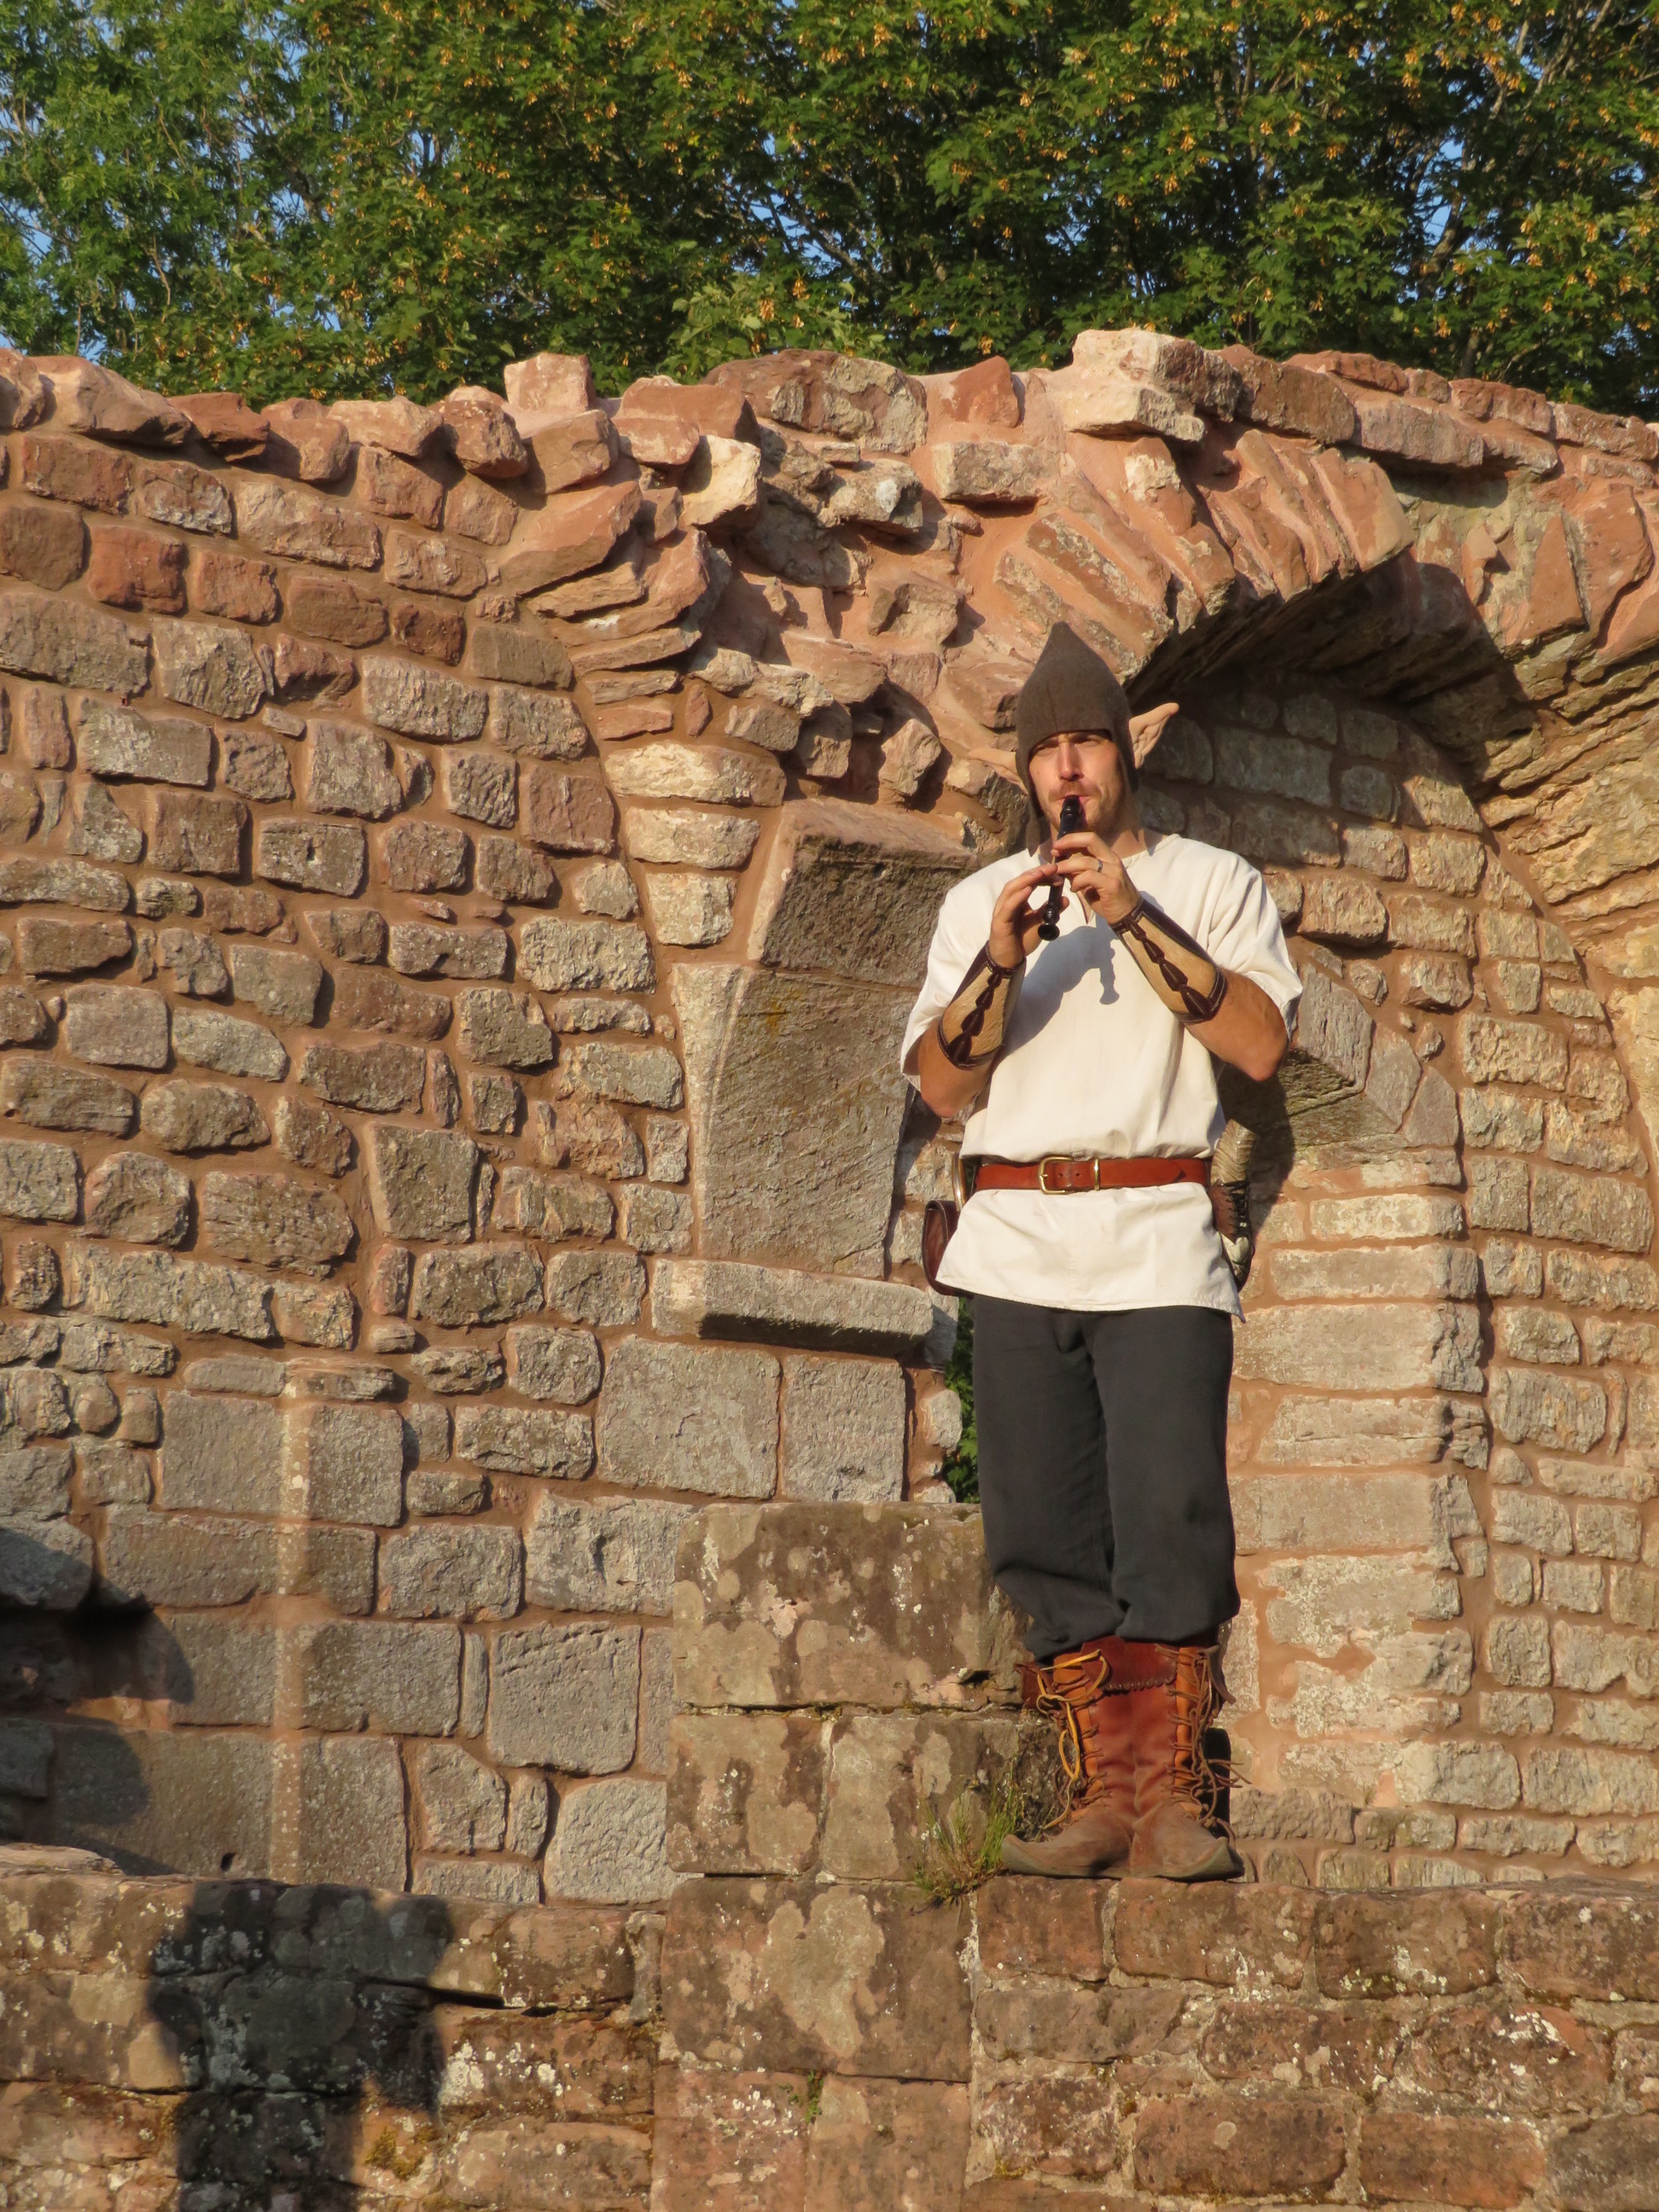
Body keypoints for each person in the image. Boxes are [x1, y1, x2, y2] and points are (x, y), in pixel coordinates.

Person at [903, 622, 1301, 1882]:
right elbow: (942, 1084)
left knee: (1172, 1513)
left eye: (1087, 743)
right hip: (1018, 1241)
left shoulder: (1213, 881)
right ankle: (1101, 1797)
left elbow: (1258, 1045)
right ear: (1026, 770)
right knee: (1040, 1529)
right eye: (1048, 751)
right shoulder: (980, 905)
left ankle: (1177, 1797)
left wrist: (1129, 913)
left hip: (1158, 1239)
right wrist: (1002, 958)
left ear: (1125, 754)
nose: (1068, 769)